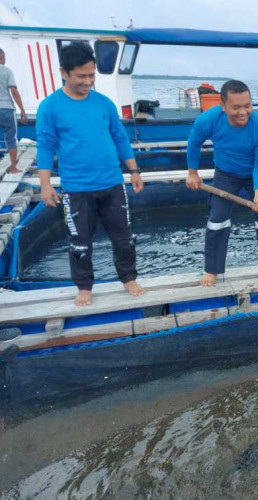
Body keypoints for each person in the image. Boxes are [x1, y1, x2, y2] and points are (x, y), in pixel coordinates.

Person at [37, 43, 144, 306]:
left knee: (124, 237)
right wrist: (45, 185)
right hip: (76, 189)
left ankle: (128, 277)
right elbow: (45, 145)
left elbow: (120, 138)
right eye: (81, 76)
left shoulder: (104, 104)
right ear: (64, 72)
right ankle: (84, 287)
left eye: (91, 75)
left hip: (112, 184)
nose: (88, 81)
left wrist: (134, 170)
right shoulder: (50, 107)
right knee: (80, 242)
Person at [186, 79, 258, 291]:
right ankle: (212, 269)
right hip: (225, 173)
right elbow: (194, 143)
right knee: (217, 220)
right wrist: (192, 173)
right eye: (236, 107)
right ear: (223, 106)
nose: (243, 112)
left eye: (247, 106)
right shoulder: (208, 120)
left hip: (255, 174)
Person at [0, 48, 28, 174]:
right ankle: (13, 167)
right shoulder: (7, 71)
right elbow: (14, 92)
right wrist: (22, 110)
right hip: (6, 108)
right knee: (11, 138)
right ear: (1, 58)